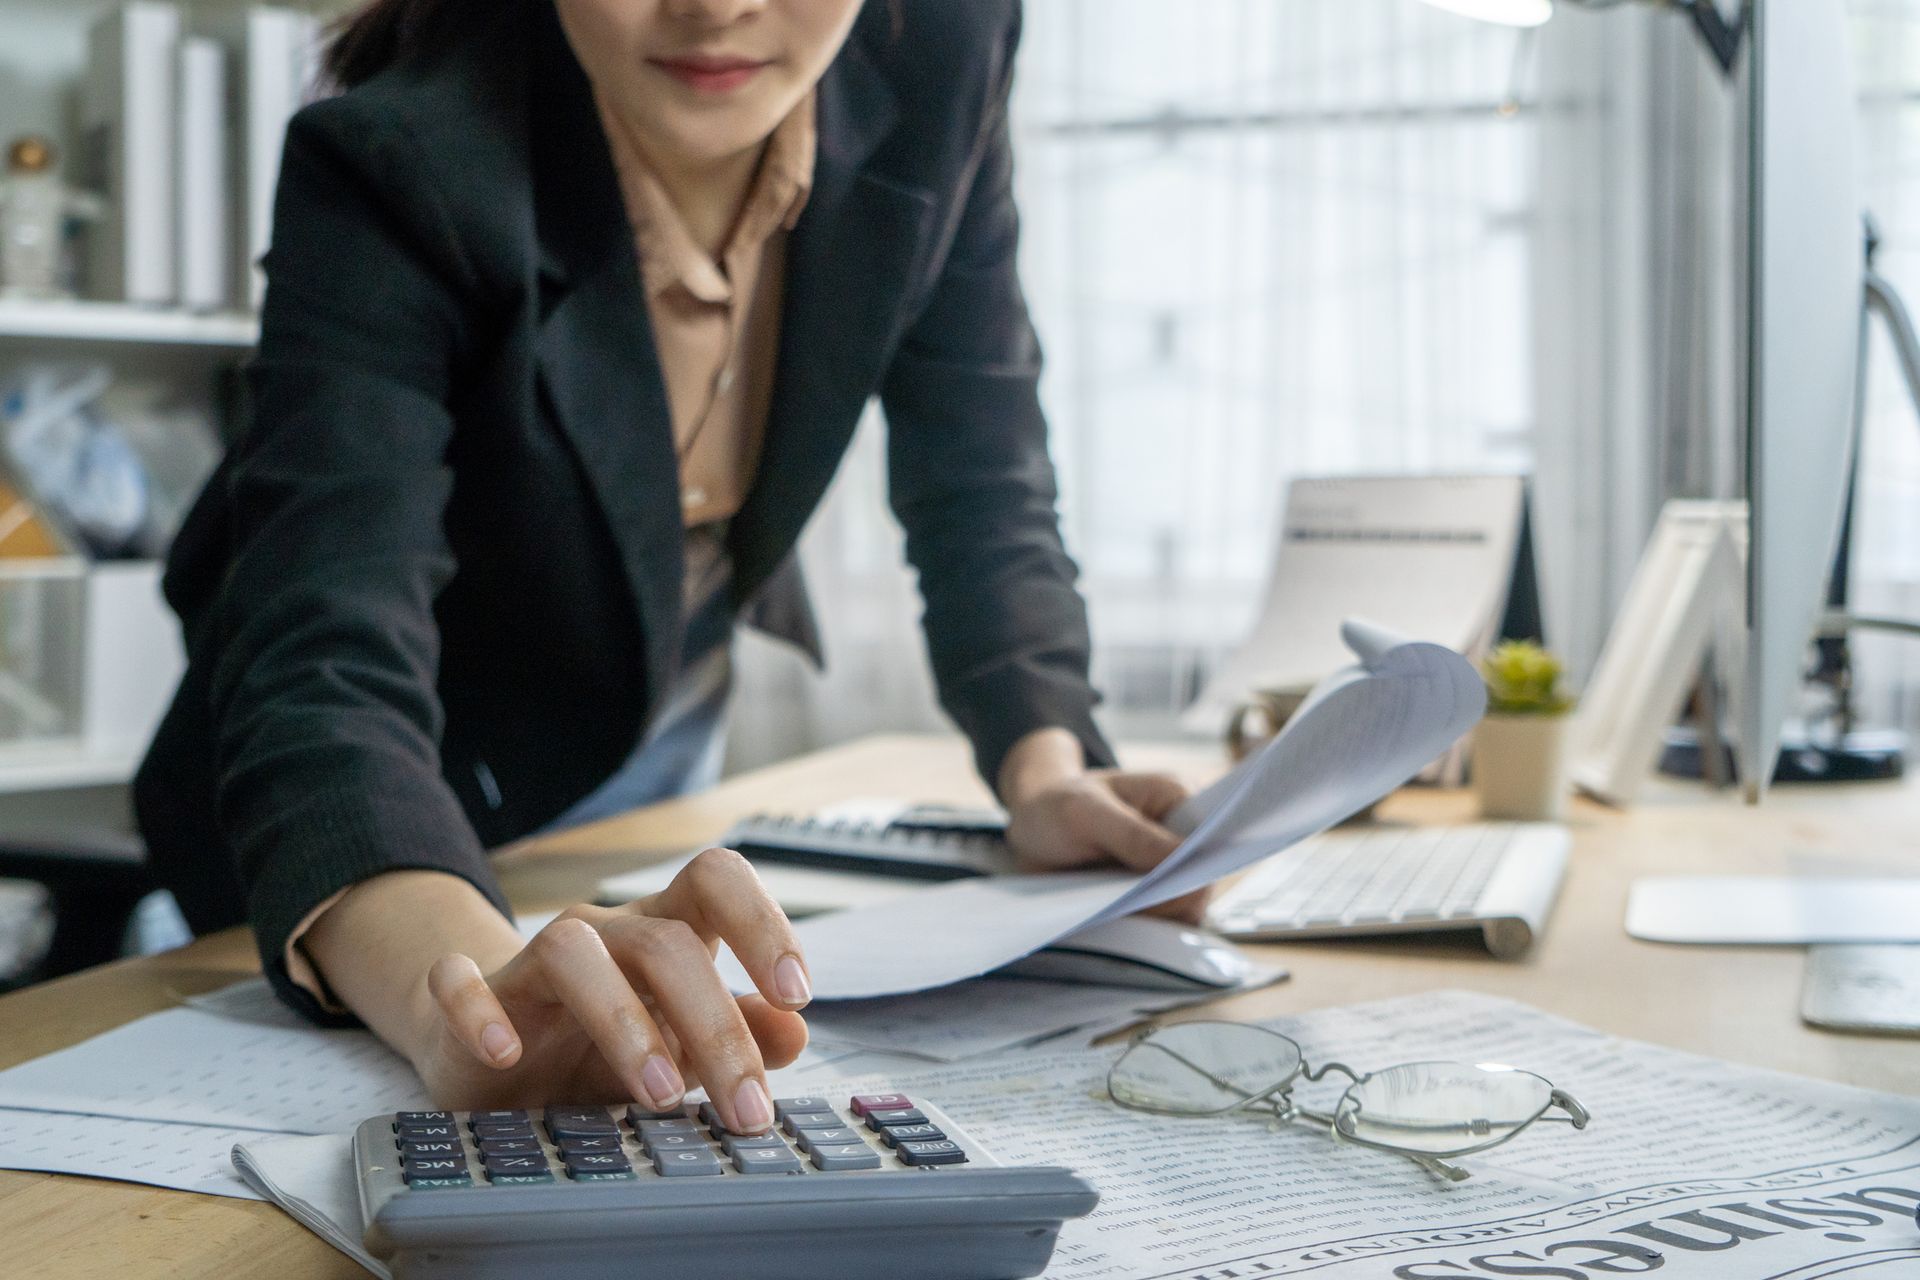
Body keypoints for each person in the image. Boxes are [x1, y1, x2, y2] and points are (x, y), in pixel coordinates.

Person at [135, 0, 1195, 1133]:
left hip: (646, 703)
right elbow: (324, 664)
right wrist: (478, 1002)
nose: (713, 7)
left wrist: (1044, 768)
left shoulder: (946, 47)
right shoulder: (403, 156)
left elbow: (981, 463)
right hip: (350, 806)